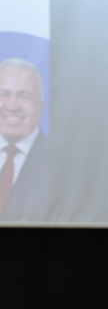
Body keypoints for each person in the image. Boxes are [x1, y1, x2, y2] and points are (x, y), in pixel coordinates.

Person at [0, 57, 48, 215]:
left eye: (23, 96)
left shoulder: (63, 165)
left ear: (40, 107)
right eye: (3, 94)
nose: (12, 106)